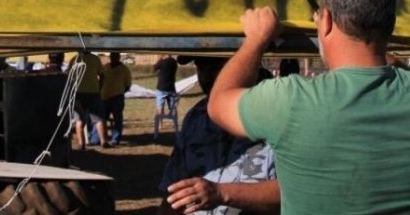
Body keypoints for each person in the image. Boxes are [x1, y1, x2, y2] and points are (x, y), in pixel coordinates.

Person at [209, 0, 410, 215]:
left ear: (327, 20)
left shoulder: (290, 101)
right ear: (389, 24)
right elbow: (392, 65)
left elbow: (219, 103)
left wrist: (255, 40)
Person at [157, 56, 279, 215]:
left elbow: (296, 194)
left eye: (216, 65)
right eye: (200, 65)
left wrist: (222, 193)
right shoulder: (196, 117)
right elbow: (174, 191)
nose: (205, 75)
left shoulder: (281, 113)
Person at [68, 50, 110, 149]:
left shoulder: (75, 59)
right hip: (93, 91)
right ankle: (103, 141)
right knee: (99, 119)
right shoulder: (95, 59)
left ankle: (81, 144)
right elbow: (102, 74)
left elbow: (69, 77)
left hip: (78, 93)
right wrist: (99, 87)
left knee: (79, 119)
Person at [100, 52, 132, 146]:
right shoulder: (105, 67)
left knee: (117, 119)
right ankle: (100, 138)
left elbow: (128, 84)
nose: (112, 58)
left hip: (117, 98)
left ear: (118, 57)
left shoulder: (124, 69)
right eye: (111, 57)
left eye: (115, 57)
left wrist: (120, 92)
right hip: (104, 97)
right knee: (101, 119)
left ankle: (115, 139)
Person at [153, 55, 178, 126]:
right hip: (171, 88)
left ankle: (160, 124)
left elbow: (154, 68)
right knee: (173, 107)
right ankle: (174, 123)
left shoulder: (162, 62)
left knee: (160, 106)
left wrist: (159, 59)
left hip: (161, 88)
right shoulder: (174, 62)